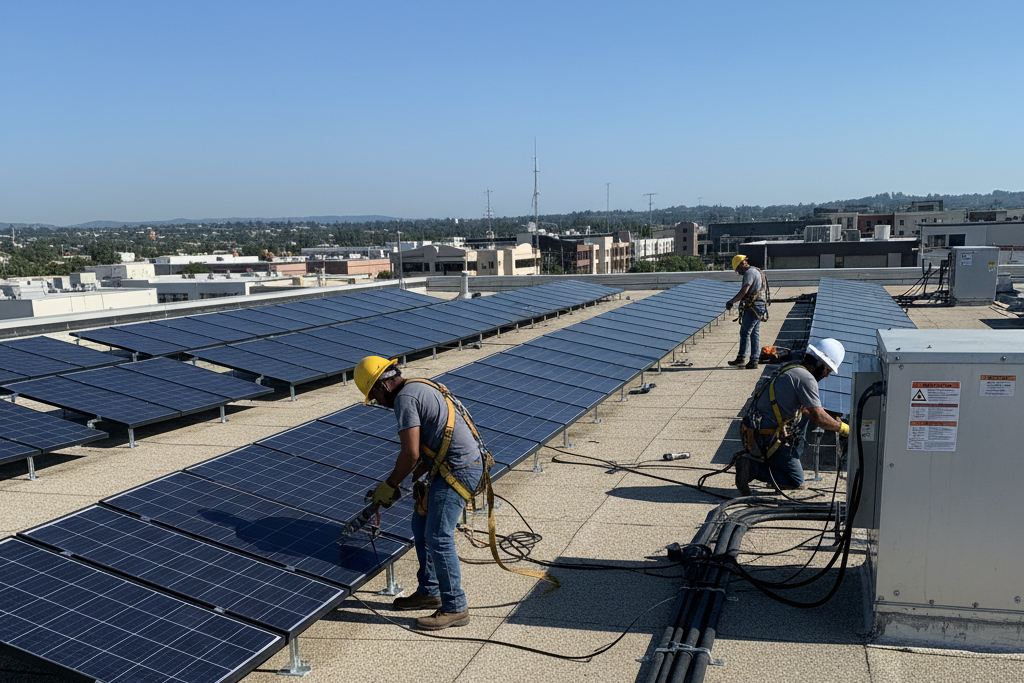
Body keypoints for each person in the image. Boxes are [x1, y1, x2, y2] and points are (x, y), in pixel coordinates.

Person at [355, 355, 483, 631]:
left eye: (373, 396)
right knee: (421, 525)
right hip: (450, 465)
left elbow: (410, 452)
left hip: (458, 470)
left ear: (382, 386)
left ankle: (455, 607)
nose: (377, 403)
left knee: (438, 536)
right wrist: (420, 473)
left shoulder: (405, 399)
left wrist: (389, 485)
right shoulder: (418, 386)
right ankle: (430, 591)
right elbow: (432, 438)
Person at [735, 338, 850, 495]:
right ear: (819, 363)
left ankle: (771, 466)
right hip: (766, 436)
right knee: (795, 480)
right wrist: (843, 428)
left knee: (797, 442)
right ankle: (751, 468)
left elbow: (803, 409)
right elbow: (819, 417)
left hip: (760, 428)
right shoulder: (806, 378)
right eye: (827, 370)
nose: (827, 375)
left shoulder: (794, 367)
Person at [725, 254, 767, 370]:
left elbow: (744, 290)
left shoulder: (749, 273)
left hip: (754, 306)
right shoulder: (756, 271)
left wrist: (732, 301)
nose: (739, 273)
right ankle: (754, 359)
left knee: (745, 332)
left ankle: (742, 358)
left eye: (738, 270)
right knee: (754, 333)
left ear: (740, 266)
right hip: (759, 306)